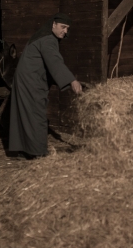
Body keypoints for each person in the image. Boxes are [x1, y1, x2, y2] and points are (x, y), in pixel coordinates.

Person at [8, 13, 82, 159]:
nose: (65, 31)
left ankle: (23, 151)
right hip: (31, 81)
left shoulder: (43, 37)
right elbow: (54, 62)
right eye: (63, 27)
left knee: (25, 114)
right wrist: (72, 80)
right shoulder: (48, 40)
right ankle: (37, 152)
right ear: (53, 24)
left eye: (67, 28)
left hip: (26, 79)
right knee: (36, 114)